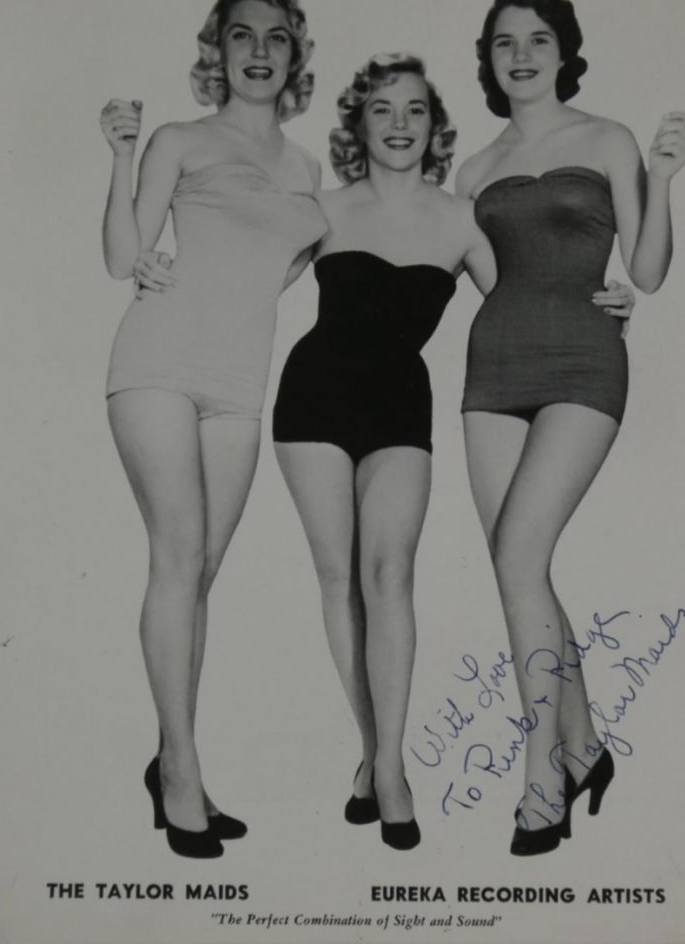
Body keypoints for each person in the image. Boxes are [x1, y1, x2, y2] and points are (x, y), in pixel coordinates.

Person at [271, 52, 633, 850]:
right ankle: (383, 762)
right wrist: (159, 268)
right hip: (312, 400)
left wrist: (610, 298)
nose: (398, 124)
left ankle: (394, 766)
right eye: (381, 110)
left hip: (401, 408)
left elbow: (531, 290)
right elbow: (245, 274)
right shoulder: (321, 208)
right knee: (340, 581)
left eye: (414, 110)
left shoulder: (464, 217)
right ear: (357, 125)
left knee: (390, 577)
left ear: (434, 126)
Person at [455, 0, 685, 855]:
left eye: (537, 40)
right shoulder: (471, 170)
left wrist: (661, 179)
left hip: (584, 364)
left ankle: (540, 776)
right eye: (503, 42)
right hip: (492, 370)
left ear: (563, 53)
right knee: (519, 568)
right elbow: (479, 276)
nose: (520, 56)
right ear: (487, 61)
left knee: (519, 559)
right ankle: (586, 747)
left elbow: (649, 271)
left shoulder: (607, 138)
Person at [99, 0, 326, 858]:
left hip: (240, 384)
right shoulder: (180, 138)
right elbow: (123, 254)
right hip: (157, 363)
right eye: (241, 35)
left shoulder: (308, 171)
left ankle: (170, 763)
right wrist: (121, 156)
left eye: (275, 37)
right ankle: (184, 778)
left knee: (199, 577)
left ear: (294, 53)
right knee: (176, 556)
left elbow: (286, 269)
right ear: (217, 50)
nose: (258, 51)